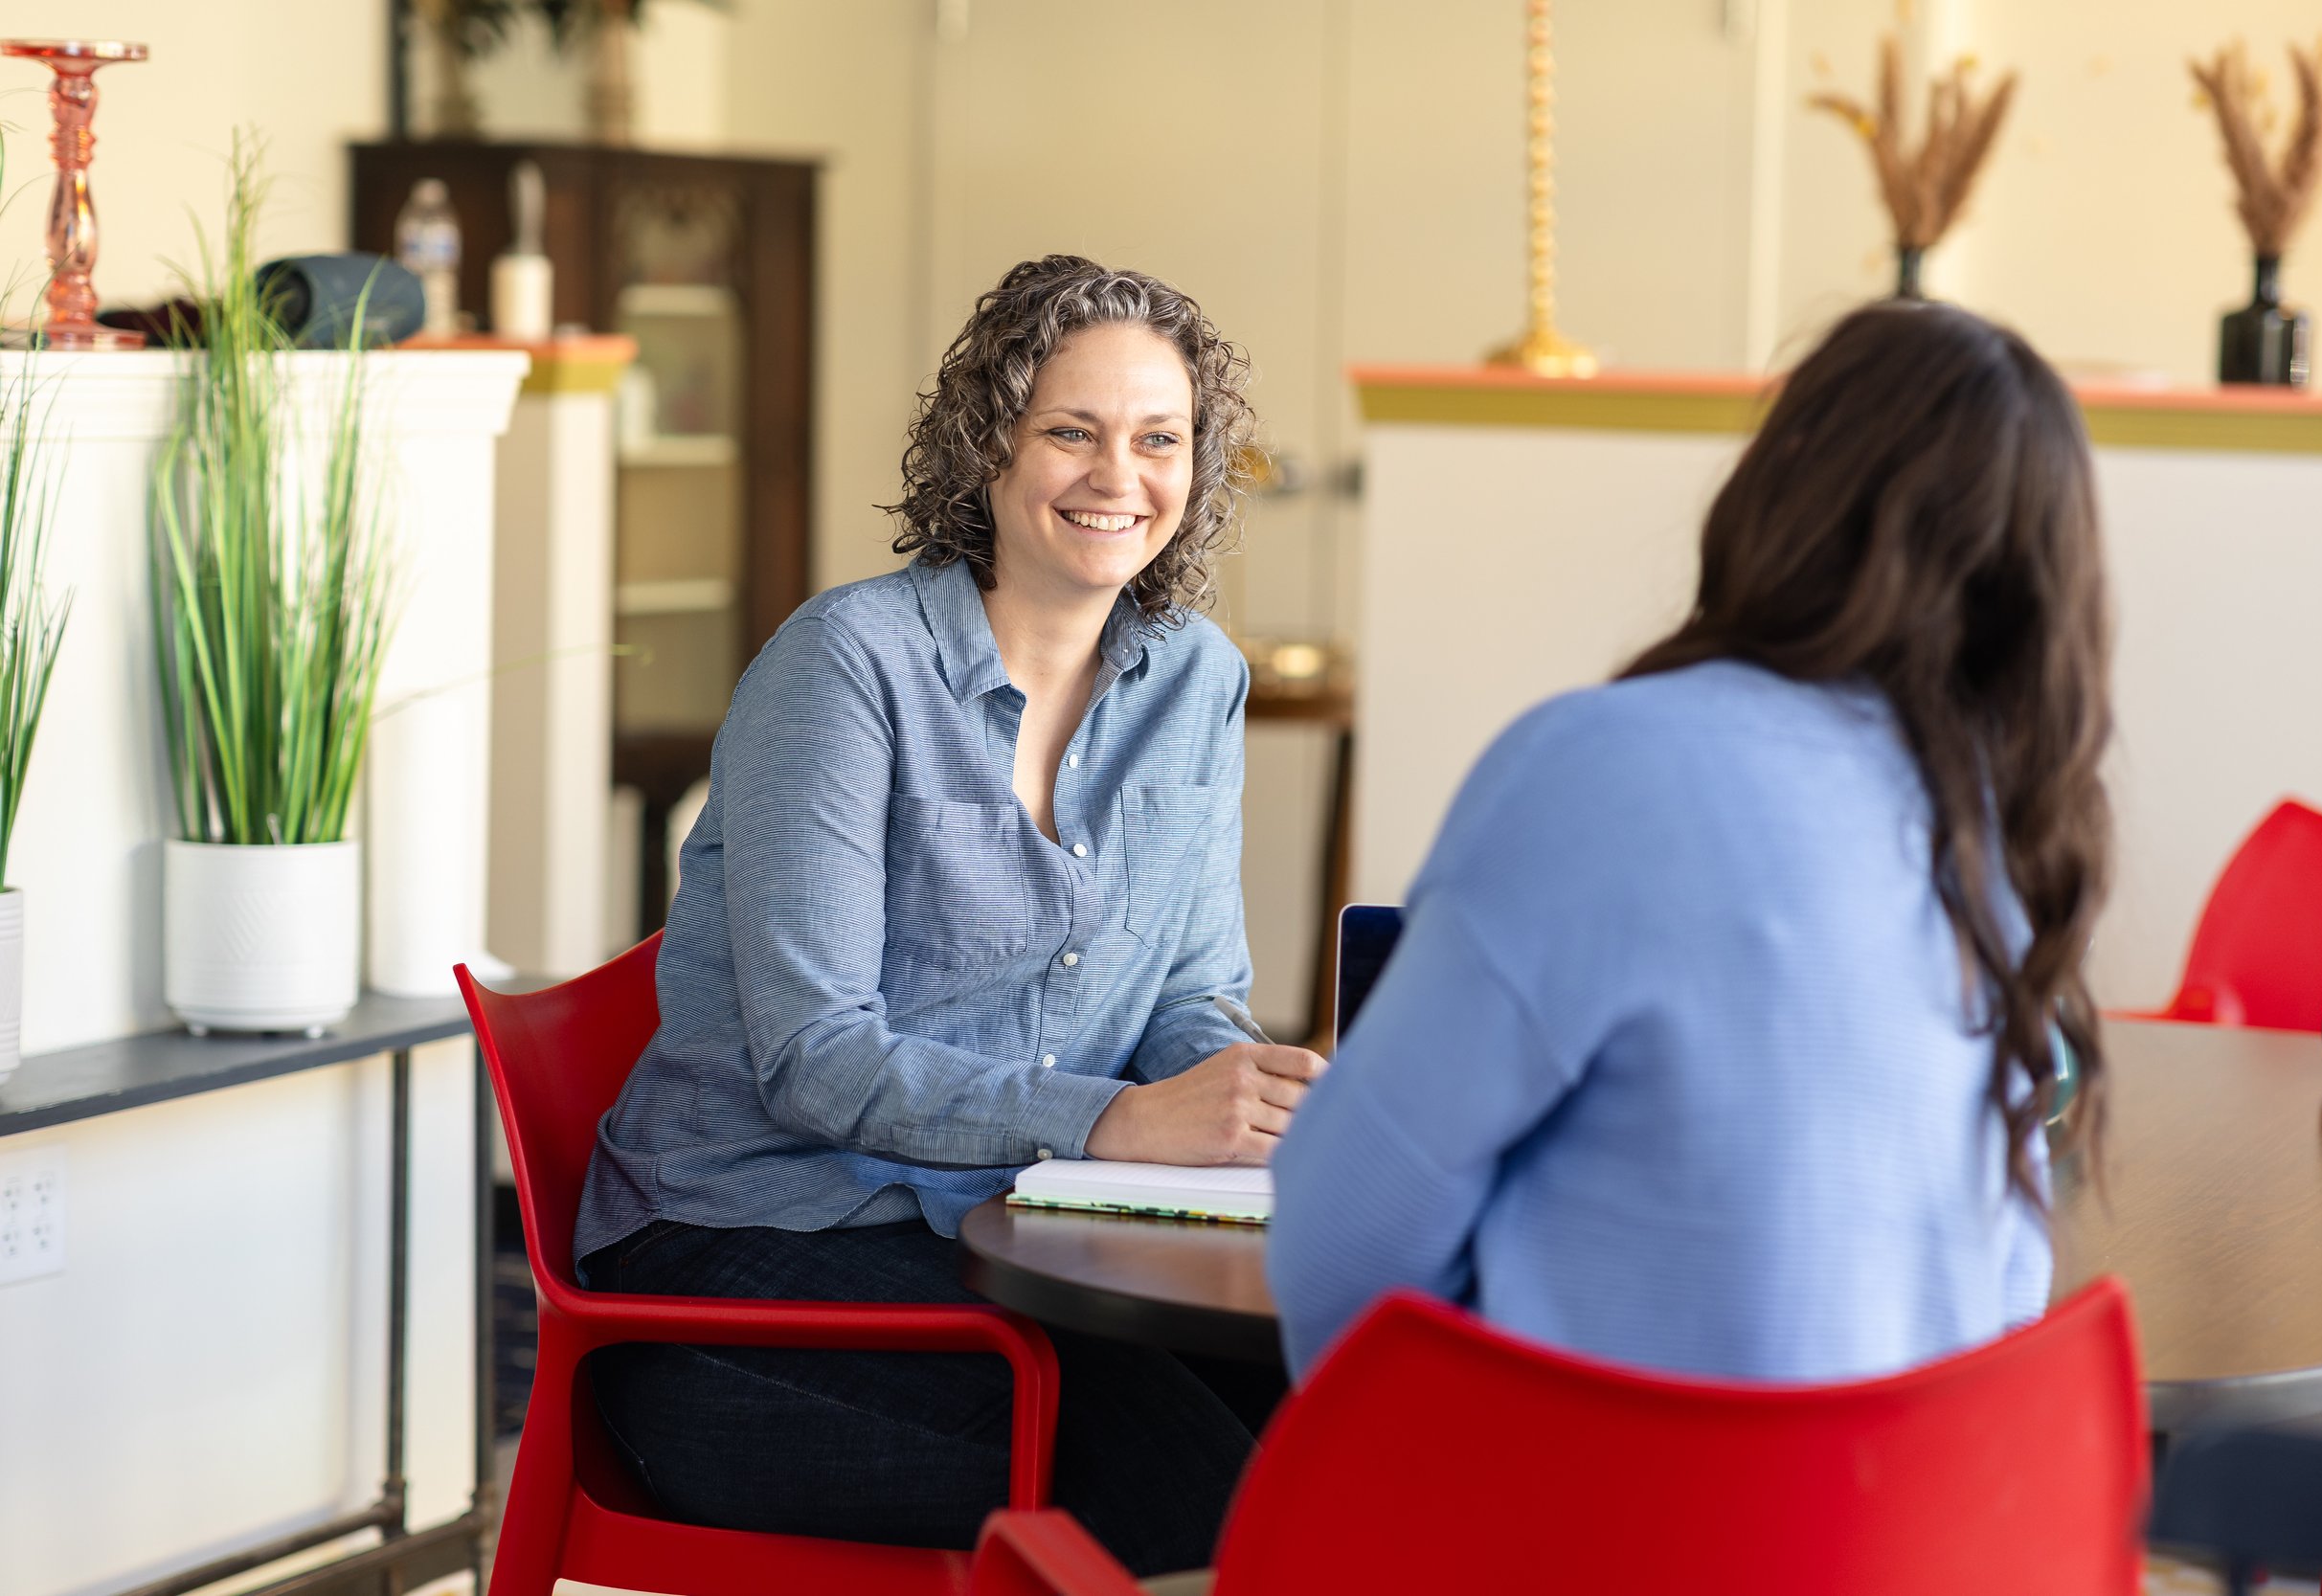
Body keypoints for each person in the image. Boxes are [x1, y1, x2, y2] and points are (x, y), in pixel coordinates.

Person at [575, 255, 1325, 1575]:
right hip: (736, 1274)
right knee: (1202, 1489)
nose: (1119, 475)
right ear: (990, 445)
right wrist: (1117, 1119)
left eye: (1159, 439)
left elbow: (1186, 990)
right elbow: (817, 1056)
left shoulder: (1195, 677)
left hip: (1008, 1231)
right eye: (1072, 431)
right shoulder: (845, 664)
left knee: (1331, 1412)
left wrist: (1242, 1101)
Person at [1269, 301, 2111, 1383]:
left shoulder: (1596, 763)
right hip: (1908, 1493)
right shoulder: (2000, 837)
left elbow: (1341, 1232)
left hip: (1573, 1486)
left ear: (1779, 485)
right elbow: (2005, 1293)